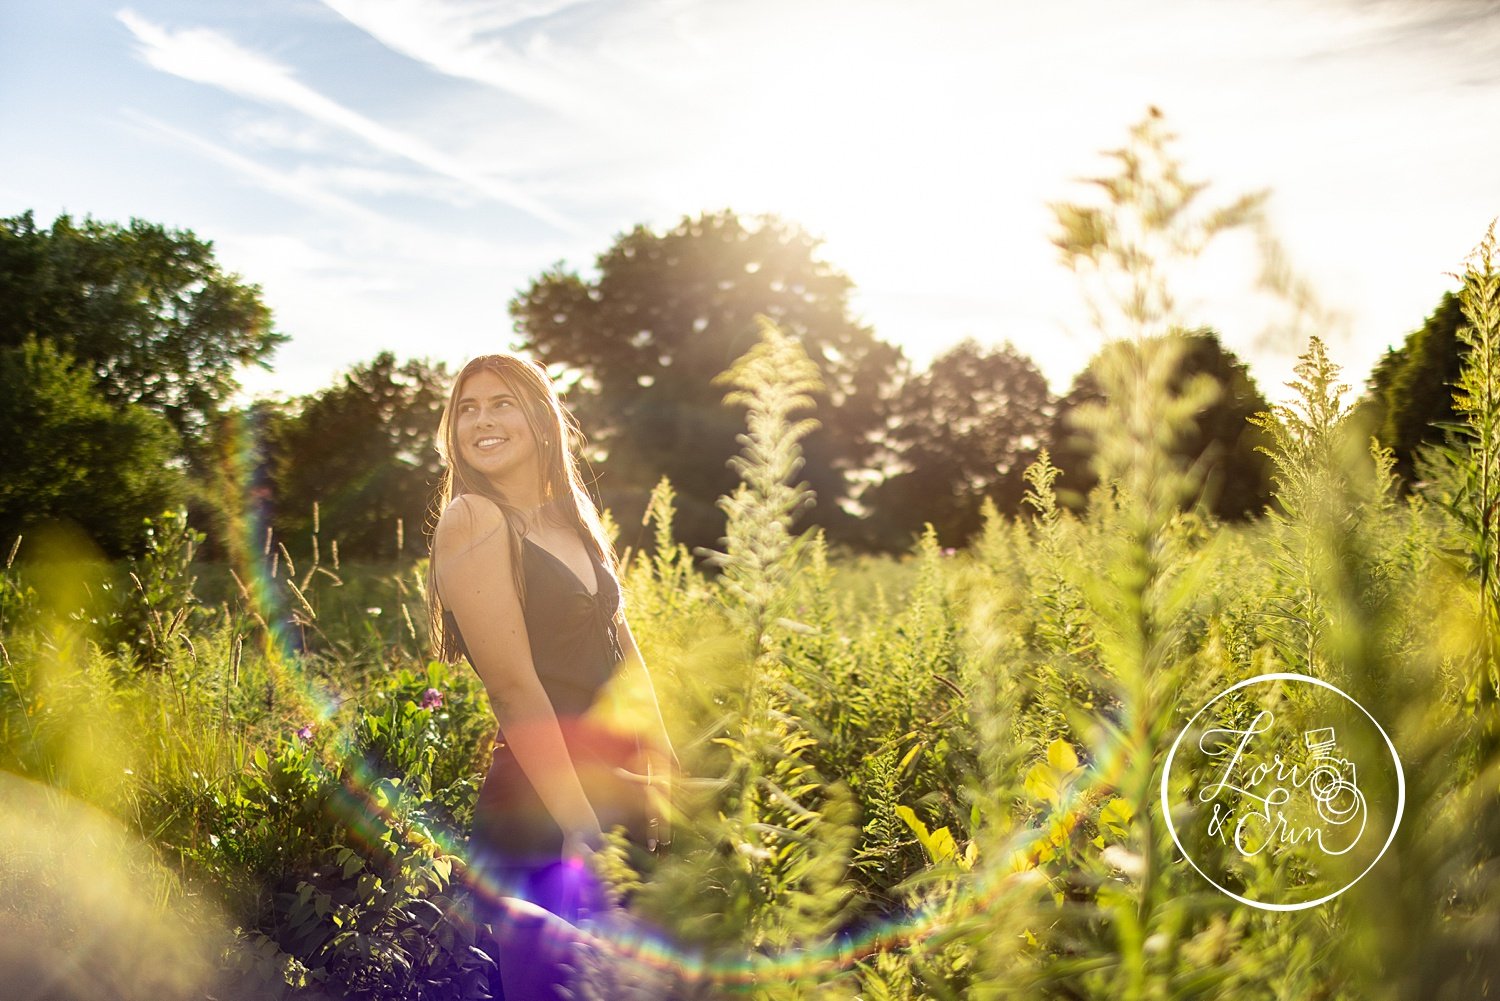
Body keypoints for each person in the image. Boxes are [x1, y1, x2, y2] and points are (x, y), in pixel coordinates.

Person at [426, 353, 678, 998]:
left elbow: (622, 644)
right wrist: (577, 821)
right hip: (544, 804)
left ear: (541, 418)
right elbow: (511, 690)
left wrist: (659, 753)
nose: (480, 420)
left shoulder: (574, 516)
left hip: (615, 783)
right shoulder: (474, 519)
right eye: (466, 408)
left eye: (501, 402)